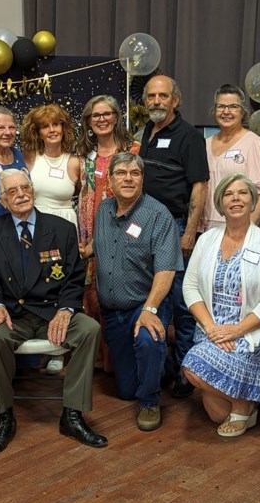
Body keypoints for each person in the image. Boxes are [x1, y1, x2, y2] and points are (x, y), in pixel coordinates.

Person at [0, 168, 107, 455]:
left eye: (25, 188)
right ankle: (4, 416)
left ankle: (72, 415)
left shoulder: (60, 228)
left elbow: (74, 276)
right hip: (14, 313)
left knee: (89, 330)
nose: (21, 194)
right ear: (2, 201)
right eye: (12, 192)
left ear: (33, 191)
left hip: (52, 311)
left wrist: (66, 309)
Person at [182, 174, 260, 437]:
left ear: (252, 201)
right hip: (212, 331)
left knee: (192, 366)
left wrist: (236, 330)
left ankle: (244, 400)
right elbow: (190, 286)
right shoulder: (206, 240)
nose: (236, 198)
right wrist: (211, 327)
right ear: (220, 202)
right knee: (217, 414)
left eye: (242, 193)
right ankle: (245, 403)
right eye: (229, 194)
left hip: (250, 333)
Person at [93, 153, 182, 431]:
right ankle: (165, 368)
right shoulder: (103, 211)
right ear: (110, 180)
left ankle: (150, 401)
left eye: (135, 173)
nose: (128, 178)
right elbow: (98, 249)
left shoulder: (158, 215)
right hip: (112, 313)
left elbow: (166, 270)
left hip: (145, 304)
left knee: (148, 339)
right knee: (125, 389)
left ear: (143, 179)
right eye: (121, 173)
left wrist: (149, 309)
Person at [138, 75, 210, 398]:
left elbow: (199, 185)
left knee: (181, 302)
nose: (156, 101)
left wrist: (190, 231)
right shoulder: (146, 134)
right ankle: (161, 368)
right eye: (151, 96)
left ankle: (184, 373)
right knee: (154, 295)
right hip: (147, 227)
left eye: (162, 96)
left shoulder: (189, 135)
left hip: (177, 227)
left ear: (175, 100)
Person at [75, 95, 139, 371]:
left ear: (116, 117)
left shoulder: (132, 149)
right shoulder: (82, 155)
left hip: (121, 231)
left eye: (106, 113)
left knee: (118, 293)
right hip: (87, 232)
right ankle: (98, 360)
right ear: (89, 122)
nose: (101, 119)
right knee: (92, 297)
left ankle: (119, 363)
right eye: (95, 115)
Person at [199, 85, 260, 232]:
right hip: (204, 230)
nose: (226, 112)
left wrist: (245, 232)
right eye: (221, 106)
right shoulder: (203, 144)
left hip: (239, 229)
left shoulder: (255, 144)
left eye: (233, 106)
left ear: (242, 111)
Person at [20, 103, 83, 229]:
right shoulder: (28, 158)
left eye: (55, 124)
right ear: (37, 133)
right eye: (45, 127)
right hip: (35, 222)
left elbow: (86, 198)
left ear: (63, 129)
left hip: (66, 224)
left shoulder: (75, 163)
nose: (52, 130)